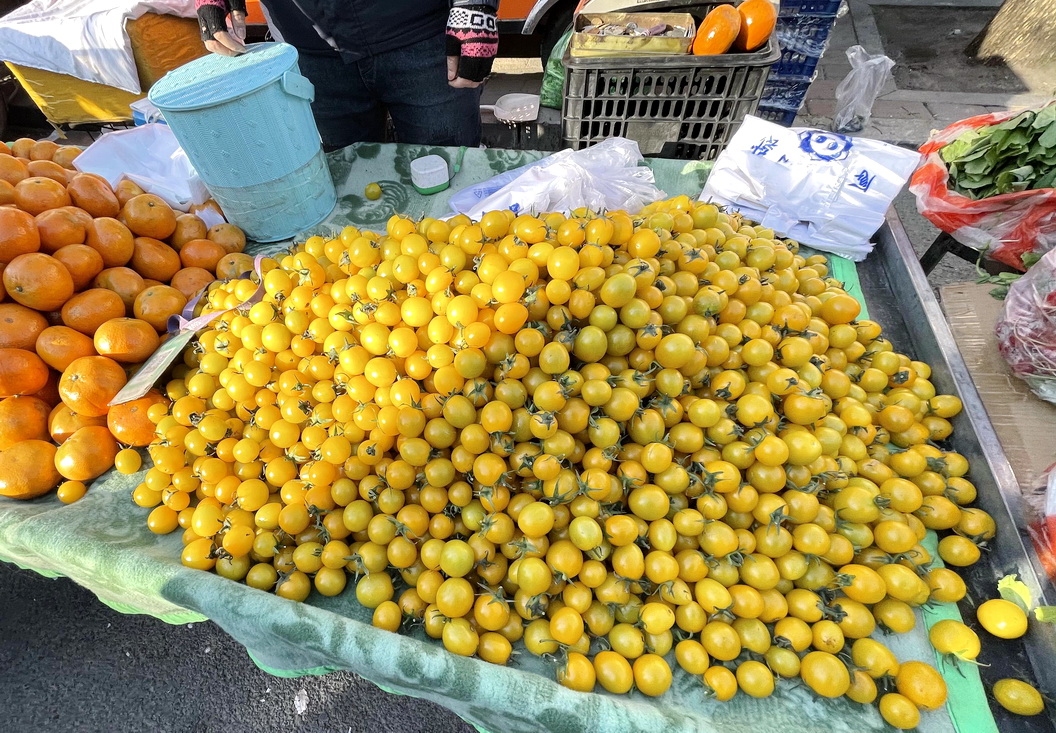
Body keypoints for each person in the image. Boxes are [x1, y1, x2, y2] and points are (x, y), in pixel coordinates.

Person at [195, 0, 498, 149]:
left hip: (419, 33)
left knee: (447, 177)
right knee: (348, 196)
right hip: (309, 50)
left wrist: (477, 5)